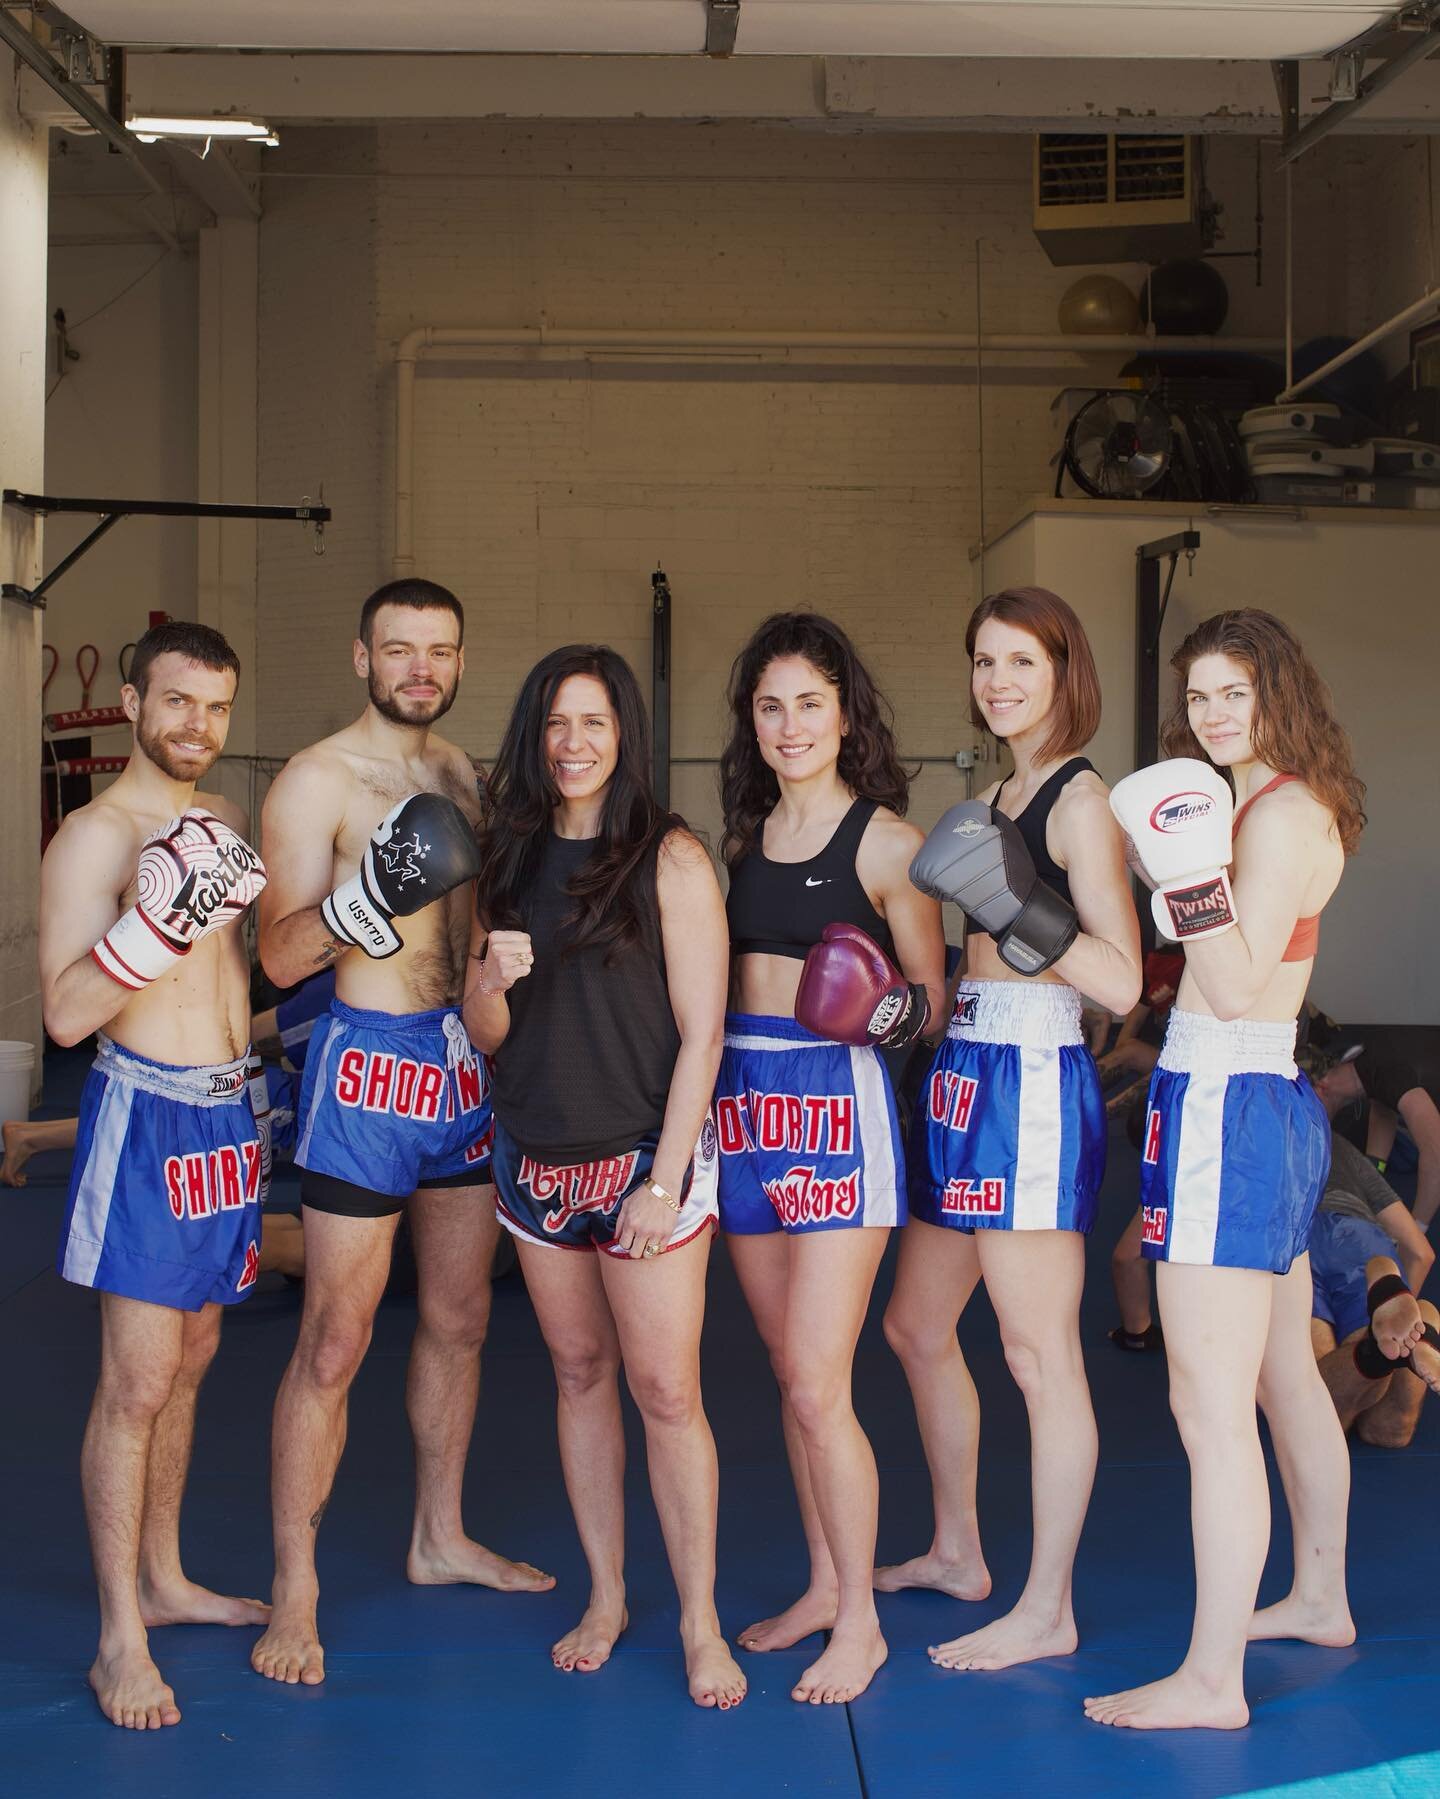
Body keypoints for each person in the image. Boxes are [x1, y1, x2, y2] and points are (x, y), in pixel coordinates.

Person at [252, 578, 551, 1689]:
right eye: (399, 647)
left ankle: (438, 1533)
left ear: (460, 658)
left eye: (439, 648)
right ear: (360, 655)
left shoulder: (462, 772)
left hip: (459, 1067)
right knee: (334, 1336)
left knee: (463, 1316)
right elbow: (278, 958)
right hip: (365, 1070)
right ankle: (296, 1584)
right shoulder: (316, 778)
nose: (420, 666)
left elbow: (472, 930)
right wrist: (362, 894)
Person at [1087, 607, 1367, 1732]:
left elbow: (1241, 980)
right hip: (1257, 1101)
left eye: (1232, 693)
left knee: (1206, 1405)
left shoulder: (1280, 814)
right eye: (1197, 695)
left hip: (1230, 1100)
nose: (1209, 713)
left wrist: (1187, 871)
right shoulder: (1269, 802)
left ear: (1278, 695)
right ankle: (1319, 1593)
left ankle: (1210, 1681)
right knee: (1282, 1376)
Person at [465, 645, 745, 1710]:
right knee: (579, 1374)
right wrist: (486, 977)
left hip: (642, 1157)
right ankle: (608, 1592)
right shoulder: (508, 855)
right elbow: (483, 1031)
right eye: (555, 723)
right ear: (535, 735)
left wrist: (666, 1180)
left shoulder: (666, 857)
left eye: (593, 721)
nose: (573, 742)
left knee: (666, 1390)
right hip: (535, 1160)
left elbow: (704, 1032)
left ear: (623, 731)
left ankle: (702, 1619)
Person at [884, 586, 1141, 1673]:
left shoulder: (1082, 802)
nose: (998, 682)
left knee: (1040, 1357)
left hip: (1033, 1073)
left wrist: (1015, 908)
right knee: (913, 1323)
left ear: (1064, 669)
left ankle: (1047, 1606)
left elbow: (1123, 980)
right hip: (967, 1068)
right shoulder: (997, 790)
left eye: (1021, 662)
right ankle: (958, 1548)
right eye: (984, 661)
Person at [38, 621, 269, 1730]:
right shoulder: (95, 836)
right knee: (134, 1379)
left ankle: (166, 1575)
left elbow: (240, 990)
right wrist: (156, 920)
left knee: (194, 1352)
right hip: (146, 1117)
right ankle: (116, 1636)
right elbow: (69, 1011)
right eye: (178, 701)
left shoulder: (221, 820)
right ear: (131, 700)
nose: (198, 726)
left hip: (230, 1116)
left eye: (217, 707)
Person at [716, 612, 946, 1705]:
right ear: (751, 722)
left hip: (837, 1110)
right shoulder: (744, 837)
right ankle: (820, 1581)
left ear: (845, 712)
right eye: (771, 705)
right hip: (745, 1107)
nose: (790, 723)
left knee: (818, 1377)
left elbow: (931, 1010)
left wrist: (883, 1006)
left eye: (810, 702)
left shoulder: (889, 842)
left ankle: (861, 1620)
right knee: (786, 1373)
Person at [1329, 1027, 1440, 1231]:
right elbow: (1384, 1107)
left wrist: (1417, 1229)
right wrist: (1374, 1173)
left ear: (1321, 1082)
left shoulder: (1386, 1070)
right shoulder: (1373, 1071)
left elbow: (1436, 1155)